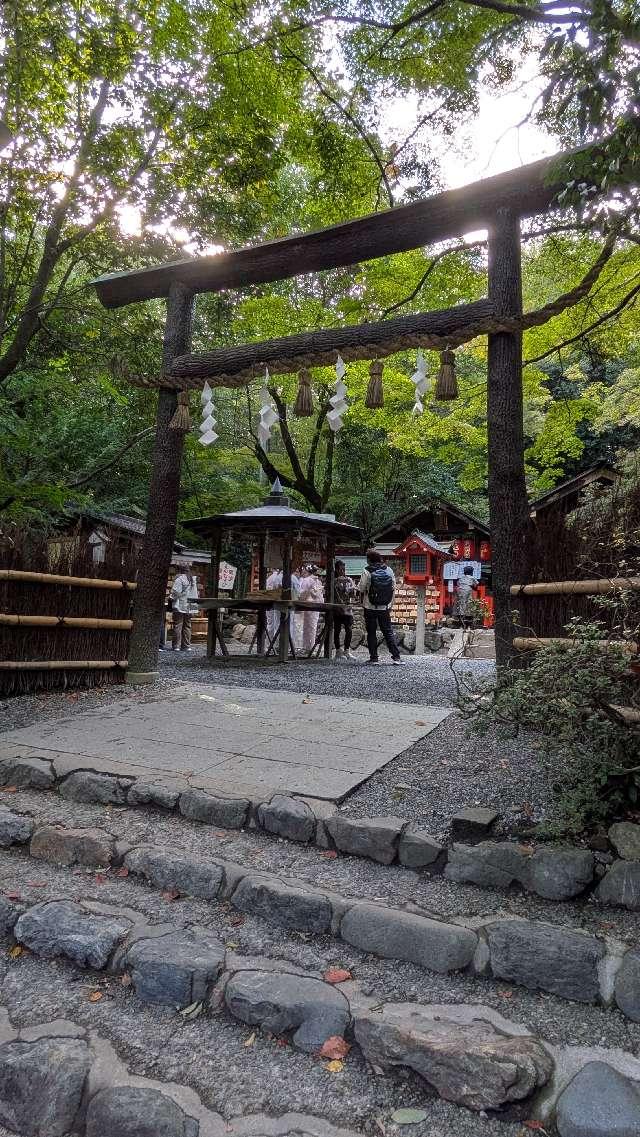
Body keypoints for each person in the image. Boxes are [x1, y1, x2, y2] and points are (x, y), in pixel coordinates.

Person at [358, 550, 402, 665]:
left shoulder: (366, 571)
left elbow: (361, 588)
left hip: (370, 606)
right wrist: (390, 604)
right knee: (387, 631)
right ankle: (396, 657)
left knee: (371, 632)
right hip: (384, 607)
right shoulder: (388, 570)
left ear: (369, 560)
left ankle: (374, 658)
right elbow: (393, 587)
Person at [170, 565, 199, 651]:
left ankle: (176, 646)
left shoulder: (180, 579)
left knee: (178, 625)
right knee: (187, 626)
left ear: (180, 571)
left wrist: (171, 598)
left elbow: (176, 592)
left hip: (180, 605)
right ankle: (186, 646)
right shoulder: (192, 579)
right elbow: (194, 594)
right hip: (190, 606)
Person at [297, 564, 324, 653]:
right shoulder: (318, 581)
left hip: (308, 605)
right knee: (312, 626)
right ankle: (310, 646)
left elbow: (302, 593)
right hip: (316, 605)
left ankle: (307, 647)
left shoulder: (307, 580)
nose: (303, 571)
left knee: (306, 627)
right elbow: (320, 595)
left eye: (305, 570)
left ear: (308, 571)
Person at [333, 560, 356, 659]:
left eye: (344, 569)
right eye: (340, 569)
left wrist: (351, 589)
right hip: (337, 607)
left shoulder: (349, 580)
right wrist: (337, 582)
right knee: (337, 629)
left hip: (347, 606)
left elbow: (353, 594)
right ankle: (338, 650)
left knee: (349, 629)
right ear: (337, 570)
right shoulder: (333, 580)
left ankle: (347, 650)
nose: (342, 571)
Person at [265, 567, 283, 648]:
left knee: (270, 623)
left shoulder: (270, 578)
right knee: (276, 623)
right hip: (276, 602)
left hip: (269, 602)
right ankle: (275, 644)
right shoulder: (278, 577)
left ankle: (269, 643)